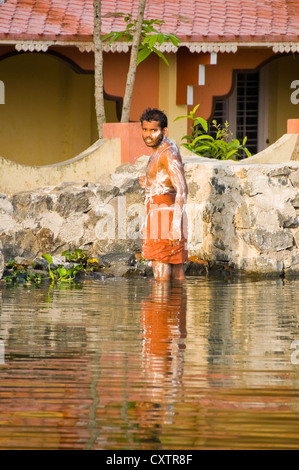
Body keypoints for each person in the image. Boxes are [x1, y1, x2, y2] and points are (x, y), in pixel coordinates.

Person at [139, 108, 188, 281]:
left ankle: (161, 308)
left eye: (153, 130)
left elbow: (182, 188)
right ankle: (176, 308)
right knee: (176, 276)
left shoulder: (167, 153)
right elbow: (166, 181)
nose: (148, 135)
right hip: (166, 213)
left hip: (164, 217)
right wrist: (149, 183)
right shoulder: (162, 149)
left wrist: (174, 226)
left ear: (164, 131)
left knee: (161, 279)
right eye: (145, 130)